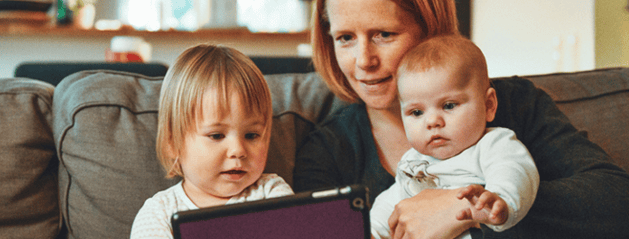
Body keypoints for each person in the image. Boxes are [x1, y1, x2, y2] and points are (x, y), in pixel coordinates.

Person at [292, 0, 629, 238]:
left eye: (384, 34)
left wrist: (463, 211)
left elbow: (616, 201)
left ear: (429, 29)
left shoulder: (516, 106)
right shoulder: (326, 151)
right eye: (345, 38)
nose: (364, 60)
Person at [369, 35, 539, 239]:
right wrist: (371, 231)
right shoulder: (412, 161)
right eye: (416, 112)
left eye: (448, 105)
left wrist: (500, 202)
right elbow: (392, 202)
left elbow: (514, 172)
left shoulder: (493, 145)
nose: (432, 122)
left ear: (489, 105)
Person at [130, 44, 294, 239]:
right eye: (216, 135)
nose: (238, 150)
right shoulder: (159, 213)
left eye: (251, 135)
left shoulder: (272, 193)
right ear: (172, 143)